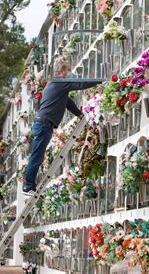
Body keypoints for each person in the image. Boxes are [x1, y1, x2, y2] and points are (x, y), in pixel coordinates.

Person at [22, 59, 101, 195]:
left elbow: (67, 102)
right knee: (37, 156)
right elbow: (80, 84)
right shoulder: (59, 82)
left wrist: (79, 114)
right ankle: (28, 186)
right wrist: (100, 80)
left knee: (38, 155)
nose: (70, 73)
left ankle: (30, 184)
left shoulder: (55, 85)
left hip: (44, 124)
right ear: (63, 71)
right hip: (44, 124)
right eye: (68, 70)